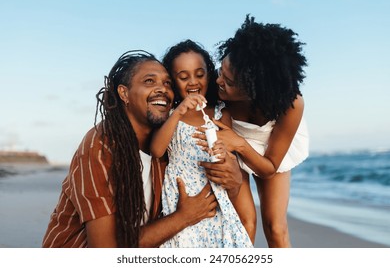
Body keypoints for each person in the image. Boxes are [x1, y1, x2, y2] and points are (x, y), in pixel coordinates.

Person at [42, 50, 220, 248]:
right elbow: (105, 248)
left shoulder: (163, 147)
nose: (162, 89)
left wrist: (235, 179)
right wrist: (184, 217)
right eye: (149, 81)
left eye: (167, 83)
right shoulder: (100, 146)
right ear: (124, 93)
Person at [194, 15, 309, 247]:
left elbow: (269, 168)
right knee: (245, 224)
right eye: (220, 72)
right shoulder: (219, 91)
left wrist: (239, 143)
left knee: (276, 227)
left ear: (255, 89)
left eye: (228, 80)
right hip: (229, 144)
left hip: (265, 150)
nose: (218, 82)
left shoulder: (290, 104)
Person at [150, 40, 256, 247]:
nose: (193, 82)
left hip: (214, 193)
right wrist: (178, 111)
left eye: (200, 74)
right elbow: (156, 150)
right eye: (183, 77)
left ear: (209, 74)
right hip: (182, 196)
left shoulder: (219, 112)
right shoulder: (171, 114)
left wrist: (221, 151)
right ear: (172, 80)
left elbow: (228, 152)